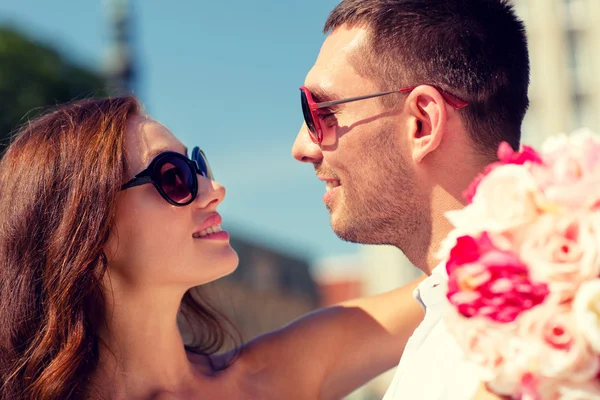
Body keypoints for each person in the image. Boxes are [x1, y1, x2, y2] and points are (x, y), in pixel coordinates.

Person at [0, 96, 426, 400]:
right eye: (174, 176)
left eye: (199, 165)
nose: (215, 189)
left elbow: (461, 283)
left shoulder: (277, 373)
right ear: (83, 229)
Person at [291, 0, 530, 398]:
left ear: (422, 122)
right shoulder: (448, 319)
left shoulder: (553, 329)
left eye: (321, 111)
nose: (302, 147)